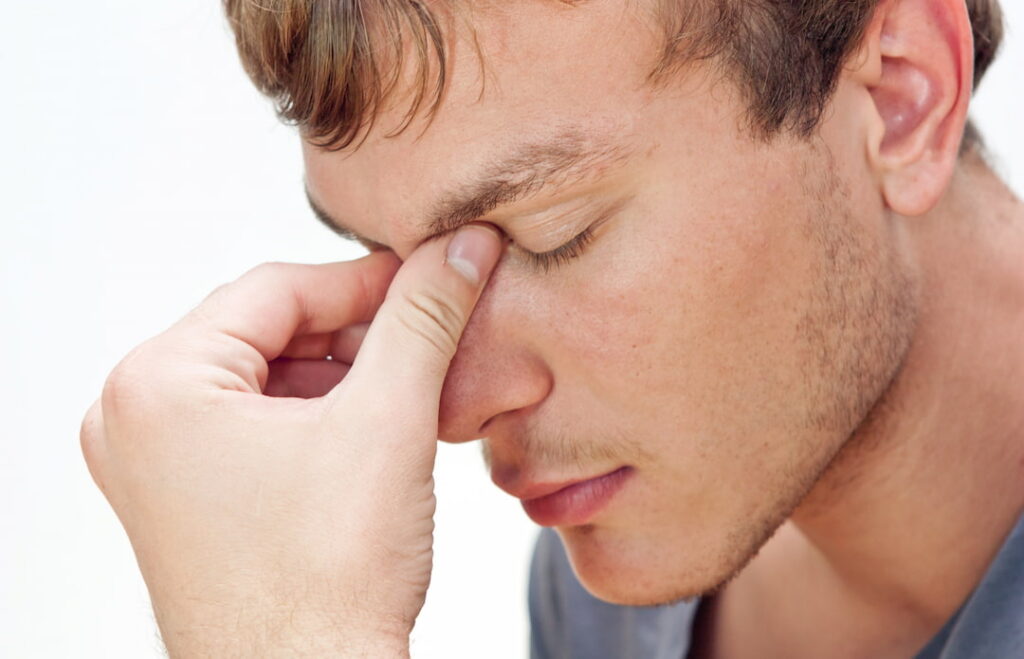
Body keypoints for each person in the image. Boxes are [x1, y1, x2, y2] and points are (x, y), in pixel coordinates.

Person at [79, 0, 1023, 656]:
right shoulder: (610, 590)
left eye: (555, 236)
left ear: (904, 97)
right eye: (391, 267)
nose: (450, 407)